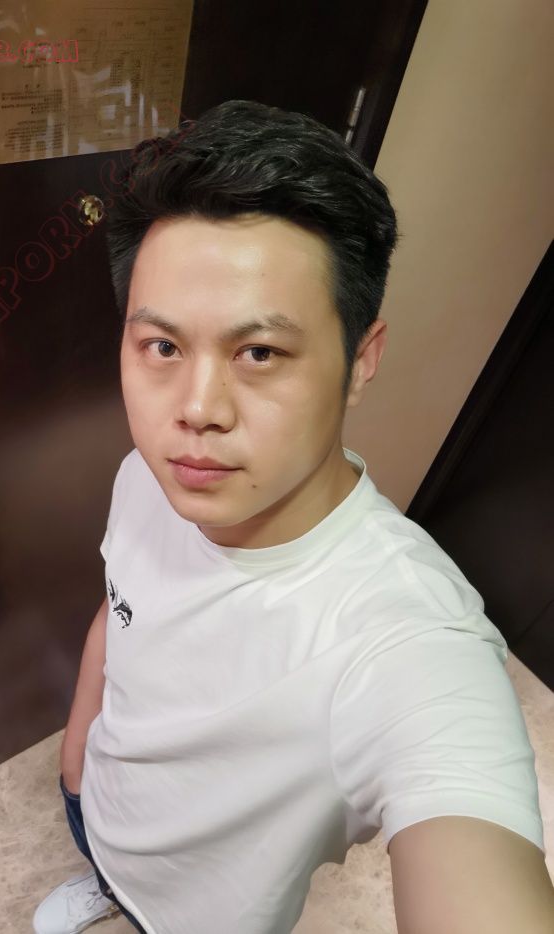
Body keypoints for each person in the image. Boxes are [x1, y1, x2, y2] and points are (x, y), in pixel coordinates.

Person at [33, 99, 547, 934]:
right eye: (163, 347)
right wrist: (77, 749)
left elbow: (469, 833)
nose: (196, 411)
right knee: (103, 855)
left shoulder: (405, 641)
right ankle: (107, 882)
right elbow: (120, 607)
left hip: (205, 916)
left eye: (259, 352)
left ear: (360, 360)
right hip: (98, 803)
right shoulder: (147, 476)